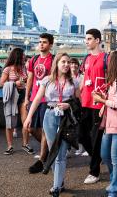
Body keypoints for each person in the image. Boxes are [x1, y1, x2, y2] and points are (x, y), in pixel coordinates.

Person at [24, 53, 80, 196]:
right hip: (49, 115)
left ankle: (56, 187)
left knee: (60, 153)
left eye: (68, 62)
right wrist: (29, 117)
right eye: (63, 62)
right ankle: (59, 182)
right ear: (57, 63)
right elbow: (37, 99)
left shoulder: (74, 82)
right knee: (53, 151)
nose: (67, 64)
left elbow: (79, 103)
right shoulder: (47, 80)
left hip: (66, 119)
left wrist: (69, 105)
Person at [92, 51, 117, 197]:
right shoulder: (116, 82)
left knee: (114, 158)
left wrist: (102, 100)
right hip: (112, 124)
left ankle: (115, 188)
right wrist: (103, 99)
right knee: (105, 155)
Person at [79, 28, 108, 184]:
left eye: (89, 38)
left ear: (97, 40)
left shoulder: (106, 58)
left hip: (98, 104)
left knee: (96, 138)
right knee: (81, 135)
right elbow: (84, 81)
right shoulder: (86, 59)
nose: (86, 41)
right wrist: (77, 97)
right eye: (86, 38)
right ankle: (98, 157)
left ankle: (94, 171)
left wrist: (105, 101)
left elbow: (110, 81)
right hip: (85, 103)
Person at [24, 33, 54, 173]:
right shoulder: (34, 59)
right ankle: (49, 149)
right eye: (40, 42)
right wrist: (26, 98)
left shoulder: (53, 60)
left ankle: (42, 160)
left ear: (50, 45)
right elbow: (29, 79)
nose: (41, 44)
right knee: (30, 128)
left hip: (47, 99)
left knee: (44, 129)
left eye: (45, 42)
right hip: (34, 99)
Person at [0, 48, 30, 155]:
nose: (24, 57)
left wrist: (25, 81)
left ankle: (25, 144)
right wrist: (14, 83)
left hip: (22, 95)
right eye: (23, 56)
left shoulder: (23, 68)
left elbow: (27, 81)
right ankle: (10, 145)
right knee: (10, 122)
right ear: (18, 56)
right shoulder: (8, 69)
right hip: (12, 96)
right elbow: (1, 83)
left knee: (26, 121)